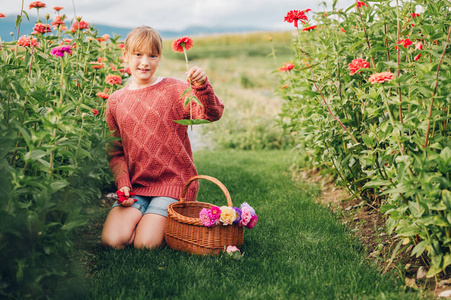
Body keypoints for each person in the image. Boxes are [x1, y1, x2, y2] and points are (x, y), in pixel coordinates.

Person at [101, 26, 224, 249]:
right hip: (137, 187)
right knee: (112, 240)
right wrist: (123, 184)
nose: (144, 62)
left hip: (173, 184)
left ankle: (155, 221)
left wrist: (201, 87)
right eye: (138, 54)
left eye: (152, 55)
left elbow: (212, 114)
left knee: (145, 245)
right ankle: (147, 218)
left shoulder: (174, 89)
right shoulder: (116, 101)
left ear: (159, 59)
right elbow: (115, 152)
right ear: (126, 56)